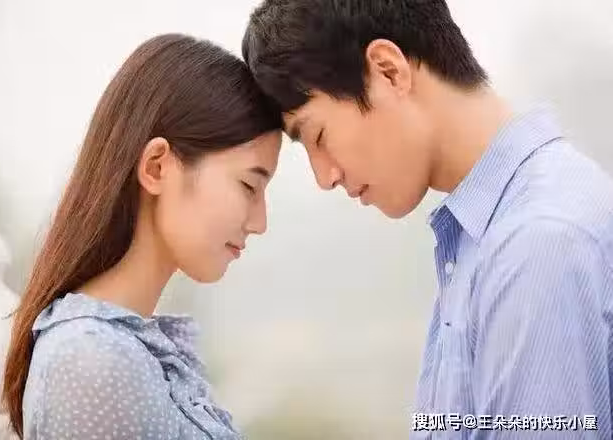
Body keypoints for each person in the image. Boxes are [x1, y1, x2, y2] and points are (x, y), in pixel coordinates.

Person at [243, 1, 613, 438]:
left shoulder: (535, 242)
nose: (325, 177)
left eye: (317, 135)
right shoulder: (485, 232)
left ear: (388, 71)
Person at [2, 33, 282, 440]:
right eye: (248, 186)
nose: (260, 221)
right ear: (156, 167)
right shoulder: (91, 361)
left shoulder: (124, 350)